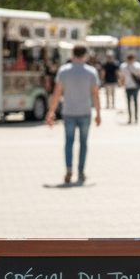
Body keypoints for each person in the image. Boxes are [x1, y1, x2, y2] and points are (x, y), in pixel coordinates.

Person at [45, 44, 101, 185]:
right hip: (85, 111)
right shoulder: (91, 72)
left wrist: (51, 112)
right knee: (83, 143)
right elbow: (95, 94)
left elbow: (57, 93)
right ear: (85, 55)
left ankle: (69, 169)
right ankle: (81, 171)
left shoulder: (63, 71)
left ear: (72, 54)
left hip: (68, 111)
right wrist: (98, 113)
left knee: (69, 142)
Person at [119, 51, 140, 124]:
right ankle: (130, 118)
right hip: (127, 86)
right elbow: (122, 77)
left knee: (135, 102)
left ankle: (136, 118)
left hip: (135, 86)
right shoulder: (124, 66)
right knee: (129, 103)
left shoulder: (137, 66)